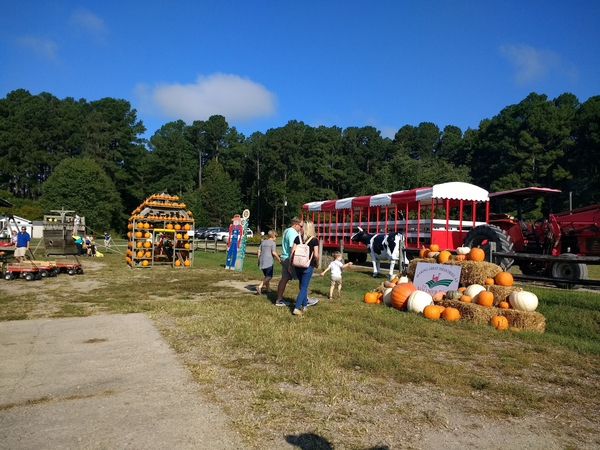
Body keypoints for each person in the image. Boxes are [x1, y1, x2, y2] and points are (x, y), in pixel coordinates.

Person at [289, 220, 319, 316]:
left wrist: (290, 265)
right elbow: (316, 255)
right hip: (307, 265)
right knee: (304, 287)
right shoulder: (314, 240)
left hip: (297, 265)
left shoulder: (298, 238)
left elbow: (292, 252)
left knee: (302, 285)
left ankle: (305, 306)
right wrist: (317, 263)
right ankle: (296, 308)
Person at [274, 217, 303, 307]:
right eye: (301, 226)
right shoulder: (292, 233)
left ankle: (279, 300)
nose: (301, 228)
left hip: (284, 257)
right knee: (302, 278)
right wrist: (294, 261)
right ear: (295, 224)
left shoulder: (286, 230)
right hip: (289, 259)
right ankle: (304, 300)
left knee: (285, 278)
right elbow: (292, 248)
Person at [256, 230, 280, 295]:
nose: (276, 238)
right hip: (268, 261)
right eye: (276, 236)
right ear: (273, 236)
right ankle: (259, 287)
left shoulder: (263, 242)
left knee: (266, 276)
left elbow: (259, 251)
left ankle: (268, 289)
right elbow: (274, 252)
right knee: (269, 276)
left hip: (262, 260)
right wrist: (279, 259)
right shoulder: (273, 243)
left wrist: (258, 260)